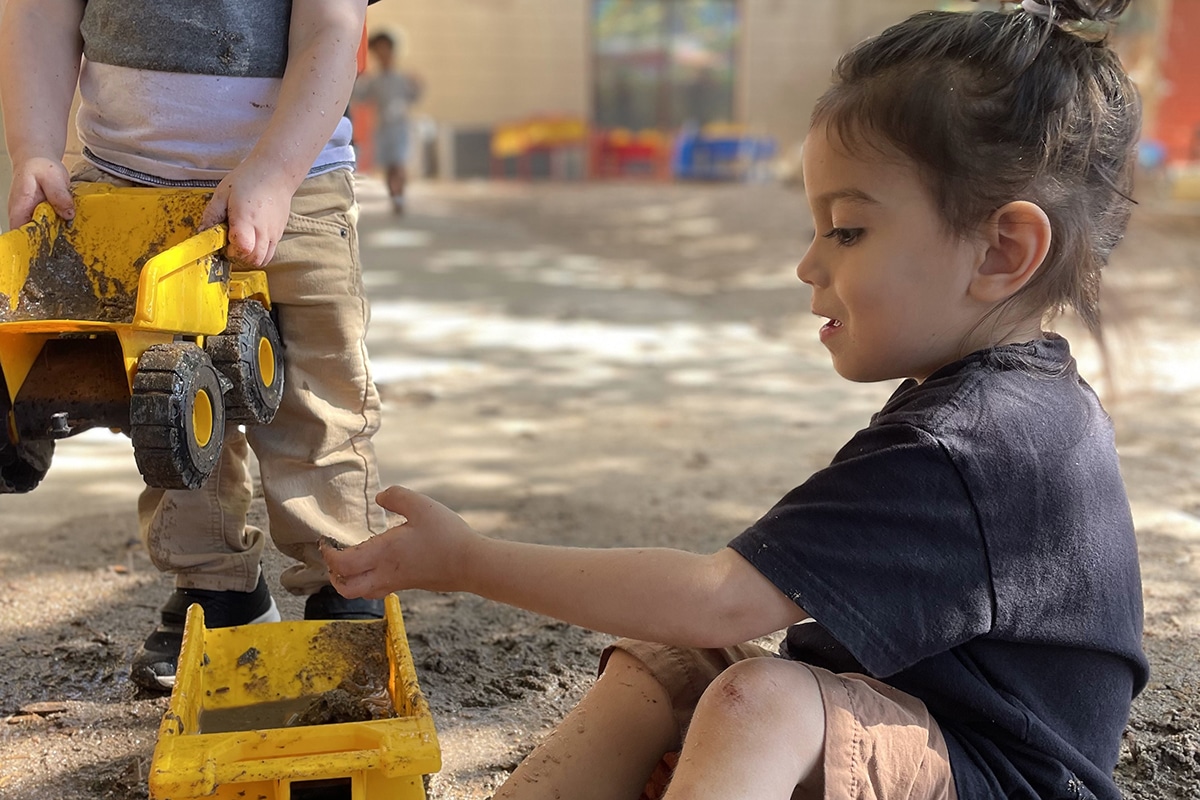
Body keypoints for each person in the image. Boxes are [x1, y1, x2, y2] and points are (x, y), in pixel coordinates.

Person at [324, 1, 1147, 798]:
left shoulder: (977, 444)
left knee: (760, 704)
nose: (809, 265)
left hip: (1000, 780)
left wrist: (468, 561)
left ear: (1003, 251)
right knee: (668, 665)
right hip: (907, 734)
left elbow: (717, 599)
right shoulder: (999, 406)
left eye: (848, 231)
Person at [0, 0, 391, 692]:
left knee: (313, 394)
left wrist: (271, 173)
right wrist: (33, 148)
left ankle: (346, 576)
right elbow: (39, 13)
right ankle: (218, 587)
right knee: (167, 400)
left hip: (295, 185)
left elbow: (333, 27)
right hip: (127, 188)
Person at [353, 30, 423, 216]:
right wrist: (356, 82)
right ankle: (394, 196)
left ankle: (400, 196)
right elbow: (361, 97)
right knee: (388, 166)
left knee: (398, 163)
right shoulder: (375, 81)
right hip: (382, 128)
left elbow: (413, 97)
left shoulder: (402, 78)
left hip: (400, 127)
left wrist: (417, 85)